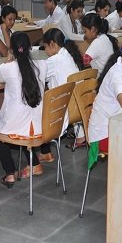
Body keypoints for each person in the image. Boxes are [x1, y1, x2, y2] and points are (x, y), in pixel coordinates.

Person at [0, 32, 48, 187]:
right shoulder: (43, 65)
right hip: (41, 128)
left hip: (18, 129)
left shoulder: (7, 68)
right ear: (30, 48)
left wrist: (9, 58)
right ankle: (34, 163)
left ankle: (10, 173)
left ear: (11, 49)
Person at [42, 27, 85, 155]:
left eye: (45, 47)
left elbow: (37, 74)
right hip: (78, 107)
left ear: (52, 44)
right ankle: (81, 136)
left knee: (36, 106)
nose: (45, 51)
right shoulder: (68, 54)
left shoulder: (55, 60)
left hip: (66, 108)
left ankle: (45, 152)